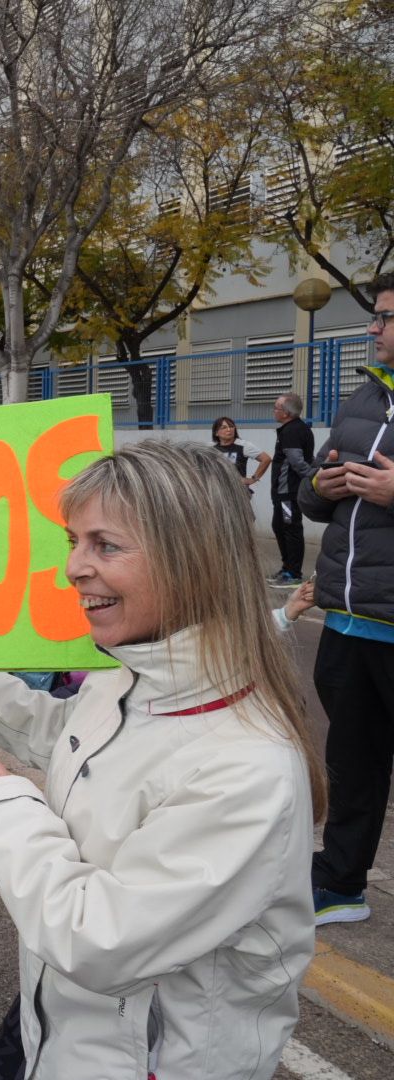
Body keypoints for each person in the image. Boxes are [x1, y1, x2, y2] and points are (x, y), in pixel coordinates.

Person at [0, 440, 324, 1080]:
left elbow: (97, 939)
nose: (73, 569)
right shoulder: (133, 675)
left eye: (105, 546)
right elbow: (73, 740)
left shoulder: (247, 766)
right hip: (56, 1030)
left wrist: (6, 799)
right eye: (74, 543)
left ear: (190, 560)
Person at [298, 271, 394, 926]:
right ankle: (340, 883)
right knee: (351, 763)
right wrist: (324, 486)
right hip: (347, 619)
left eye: (385, 317)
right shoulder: (362, 399)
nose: (372, 328)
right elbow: (309, 497)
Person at [271, 393, 315, 586]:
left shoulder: (292, 431)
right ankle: (287, 567)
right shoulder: (292, 428)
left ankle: (294, 574)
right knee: (279, 526)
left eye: (276, 408)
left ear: (286, 413)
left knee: (290, 528)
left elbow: (298, 462)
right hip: (282, 492)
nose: (274, 411)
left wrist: (313, 477)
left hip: (288, 491)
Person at [210, 415, 269, 494]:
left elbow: (266, 459)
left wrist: (253, 479)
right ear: (216, 433)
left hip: (238, 494)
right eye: (224, 427)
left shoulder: (243, 445)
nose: (229, 429)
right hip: (217, 492)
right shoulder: (211, 449)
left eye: (231, 426)